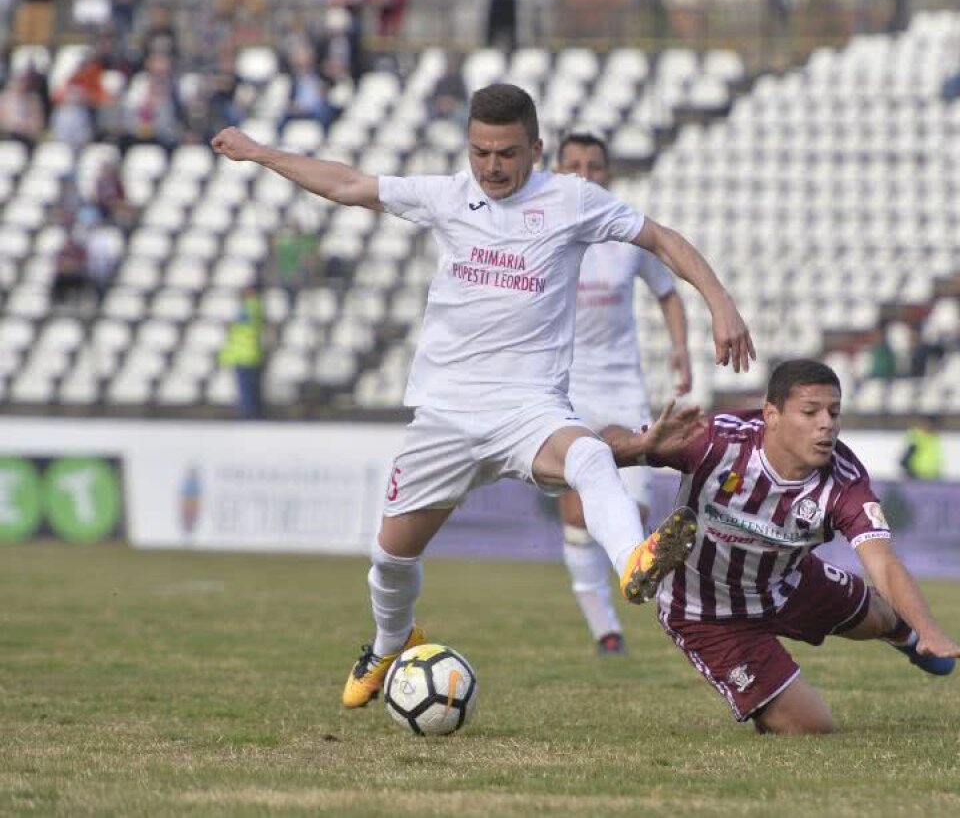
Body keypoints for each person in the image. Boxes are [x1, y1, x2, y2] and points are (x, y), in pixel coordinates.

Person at [210, 83, 755, 707]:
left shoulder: (572, 200)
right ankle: (391, 641)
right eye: (481, 152)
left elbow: (662, 239)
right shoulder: (447, 196)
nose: (493, 167)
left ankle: (635, 562)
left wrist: (720, 304)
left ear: (536, 149)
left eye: (507, 153)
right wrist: (259, 152)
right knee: (389, 560)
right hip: (445, 415)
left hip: (530, 409)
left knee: (589, 458)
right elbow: (345, 184)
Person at [601, 359, 960, 735]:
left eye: (834, 413)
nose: (827, 424)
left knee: (885, 617)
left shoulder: (843, 480)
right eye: (811, 412)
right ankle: (767, 700)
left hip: (790, 583)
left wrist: (929, 630)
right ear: (772, 414)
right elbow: (606, 447)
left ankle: (914, 643)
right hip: (707, 613)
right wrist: (638, 443)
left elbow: (882, 563)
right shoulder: (715, 440)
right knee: (810, 727)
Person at [554, 132, 693, 656]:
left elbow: (667, 292)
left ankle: (648, 591)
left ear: (609, 174)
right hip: (563, 387)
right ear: (556, 168)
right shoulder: (545, 229)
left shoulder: (626, 231)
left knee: (630, 517)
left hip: (620, 388)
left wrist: (680, 350)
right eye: (574, 165)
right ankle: (604, 629)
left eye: (594, 166)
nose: (585, 175)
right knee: (574, 514)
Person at [218, 284, 265, 419]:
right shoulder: (251, 307)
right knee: (249, 389)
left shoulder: (250, 307)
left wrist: (232, 325)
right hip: (246, 355)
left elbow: (243, 327)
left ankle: (249, 415)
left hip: (246, 355)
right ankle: (251, 413)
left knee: (247, 390)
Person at [900, 414, 943, 480]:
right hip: (917, 477)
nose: (931, 426)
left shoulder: (935, 438)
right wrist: (910, 474)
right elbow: (905, 459)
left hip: (933, 476)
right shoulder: (916, 437)